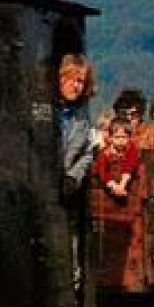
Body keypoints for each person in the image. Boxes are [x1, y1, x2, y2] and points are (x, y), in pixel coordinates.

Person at [56, 54, 95, 200]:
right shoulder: (44, 110)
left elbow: (87, 152)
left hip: (65, 190)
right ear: (60, 79)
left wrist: (73, 177)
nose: (75, 85)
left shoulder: (82, 117)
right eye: (70, 79)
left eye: (80, 81)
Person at [93, 117, 141, 201]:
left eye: (124, 137)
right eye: (117, 137)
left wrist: (122, 185)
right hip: (109, 188)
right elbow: (102, 171)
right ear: (111, 137)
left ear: (129, 137)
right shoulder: (104, 153)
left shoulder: (131, 149)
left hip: (127, 185)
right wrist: (115, 187)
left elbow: (130, 165)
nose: (121, 140)